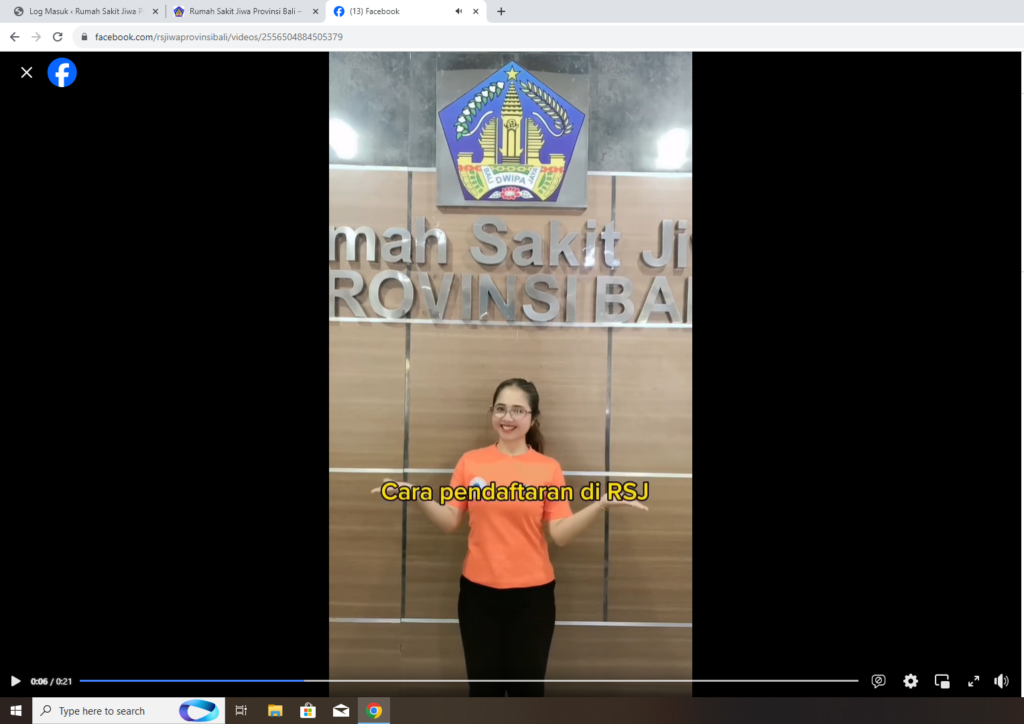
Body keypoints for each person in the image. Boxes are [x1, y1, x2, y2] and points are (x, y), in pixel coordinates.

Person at [371, 377, 649, 697]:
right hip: (478, 597)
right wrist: (415, 496)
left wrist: (600, 505)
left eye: (518, 410)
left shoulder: (548, 468)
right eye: (500, 409)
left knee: (526, 692)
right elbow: (450, 521)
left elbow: (560, 533)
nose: (507, 417)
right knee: (483, 692)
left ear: (533, 418)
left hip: (533, 599)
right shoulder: (471, 462)